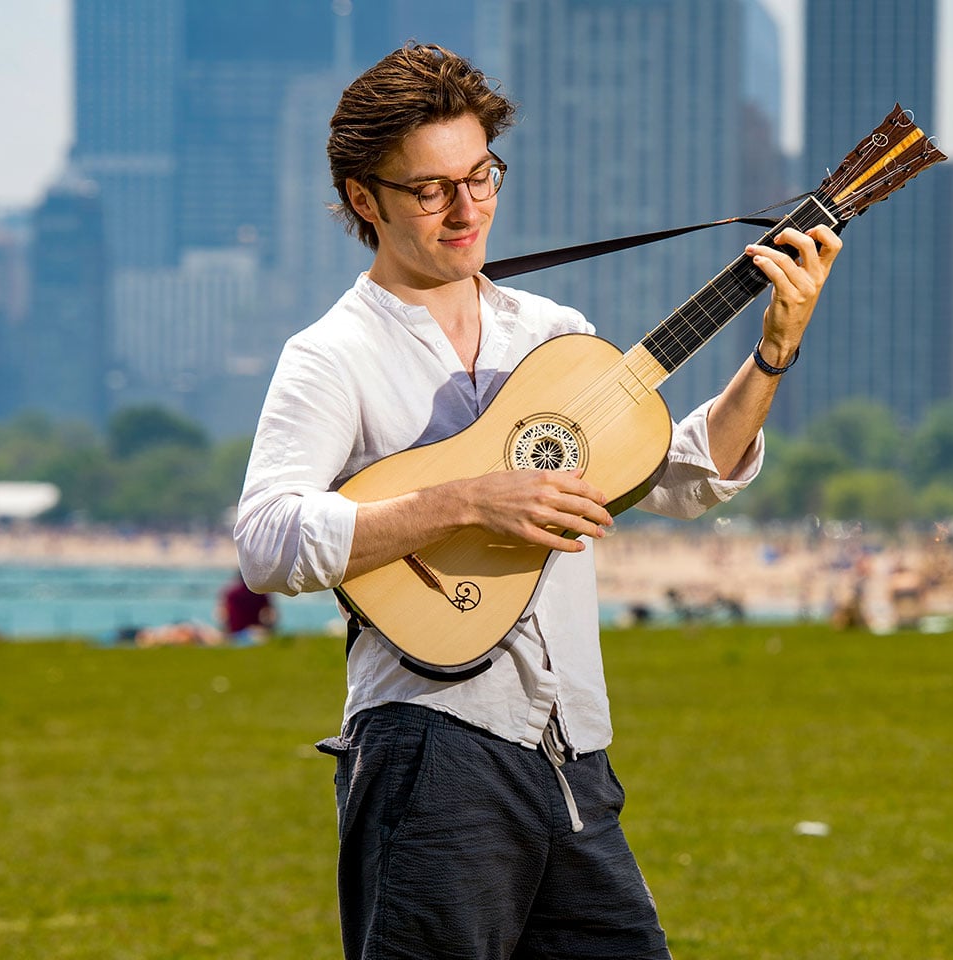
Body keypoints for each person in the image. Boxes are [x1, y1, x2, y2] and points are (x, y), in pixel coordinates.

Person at [234, 43, 841, 960]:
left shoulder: (554, 335)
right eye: (432, 189)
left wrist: (772, 355)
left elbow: (677, 476)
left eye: (481, 176)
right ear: (365, 198)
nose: (467, 208)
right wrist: (469, 499)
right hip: (429, 750)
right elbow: (269, 543)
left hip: (572, 751)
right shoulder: (333, 354)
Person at [216, 570, 276, 644]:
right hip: (254, 630)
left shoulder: (231, 594)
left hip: (235, 632)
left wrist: (226, 632)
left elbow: (223, 616)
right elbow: (270, 614)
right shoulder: (260, 594)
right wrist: (269, 628)